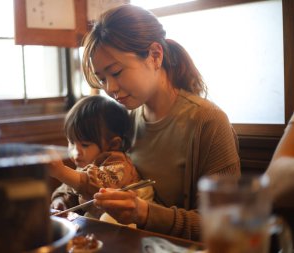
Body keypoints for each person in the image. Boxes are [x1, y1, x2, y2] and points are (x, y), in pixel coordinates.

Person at [81, 4, 241, 241]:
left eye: (116, 72)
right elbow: (96, 169)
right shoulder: (125, 117)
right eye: (102, 79)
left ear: (155, 55)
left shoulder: (207, 121)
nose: (110, 88)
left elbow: (223, 223)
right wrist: (63, 195)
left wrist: (144, 213)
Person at [49, 95, 154, 223]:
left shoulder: (120, 165)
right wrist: (60, 201)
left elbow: (96, 184)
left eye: (85, 145)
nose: (75, 152)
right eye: (71, 142)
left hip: (129, 225)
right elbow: (68, 188)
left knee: (108, 219)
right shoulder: (84, 163)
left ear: (113, 144)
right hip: (97, 224)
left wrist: (61, 172)